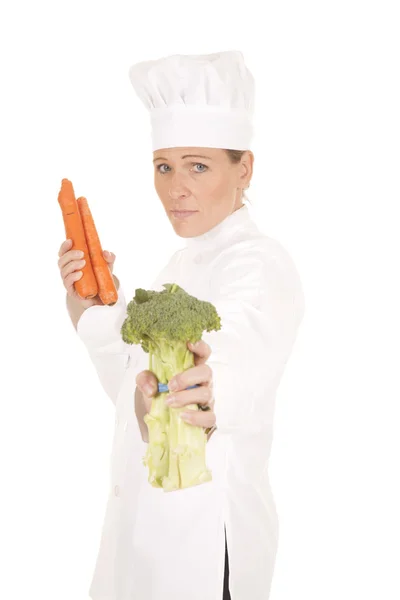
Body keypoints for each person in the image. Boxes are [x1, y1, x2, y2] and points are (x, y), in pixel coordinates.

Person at [58, 51, 305, 600]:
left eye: (198, 166)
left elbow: (239, 347)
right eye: (163, 166)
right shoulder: (178, 268)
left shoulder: (261, 263)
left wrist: (206, 390)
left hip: (206, 545)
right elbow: (130, 388)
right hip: (145, 535)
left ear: (243, 170)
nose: (176, 188)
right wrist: (91, 310)